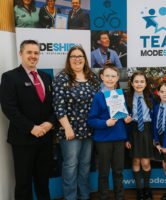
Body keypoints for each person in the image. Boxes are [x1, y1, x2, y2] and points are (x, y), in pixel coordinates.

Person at [0, 40, 56, 200]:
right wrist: (32, 128)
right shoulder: (9, 77)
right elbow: (8, 108)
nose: (33, 56)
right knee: (23, 183)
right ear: (21, 54)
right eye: (29, 52)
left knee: (43, 181)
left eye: (36, 53)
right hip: (23, 140)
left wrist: (50, 122)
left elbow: (53, 106)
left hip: (45, 139)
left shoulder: (46, 77)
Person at [52, 45, 100, 200]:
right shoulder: (62, 78)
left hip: (89, 130)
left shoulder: (93, 78)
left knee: (85, 165)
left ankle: (84, 196)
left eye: (80, 56)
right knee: (71, 166)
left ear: (85, 59)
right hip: (70, 130)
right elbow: (58, 106)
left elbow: (99, 102)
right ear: (69, 60)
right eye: (74, 57)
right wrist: (67, 127)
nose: (77, 59)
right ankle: (71, 197)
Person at [88, 64, 131, 200]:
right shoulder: (98, 97)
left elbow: (123, 114)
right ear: (102, 77)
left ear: (117, 78)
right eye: (107, 76)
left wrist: (127, 118)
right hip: (103, 140)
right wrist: (105, 123)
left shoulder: (120, 95)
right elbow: (91, 120)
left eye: (113, 76)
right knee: (104, 173)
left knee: (118, 172)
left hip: (118, 138)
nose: (110, 79)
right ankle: (103, 197)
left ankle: (120, 197)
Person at [125, 71, 153, 200]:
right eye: (136, 81)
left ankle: (147, 188)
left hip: (147, 130)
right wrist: (126, 138)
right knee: (136, 160)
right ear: (131, 83)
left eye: (142, 81)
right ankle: (139, 189)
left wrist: (155, 138)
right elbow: (123, 121)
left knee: (146, 162)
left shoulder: (152, 98)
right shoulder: (126, 99)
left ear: (146, 83)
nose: (139, 84)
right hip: (134, 130)